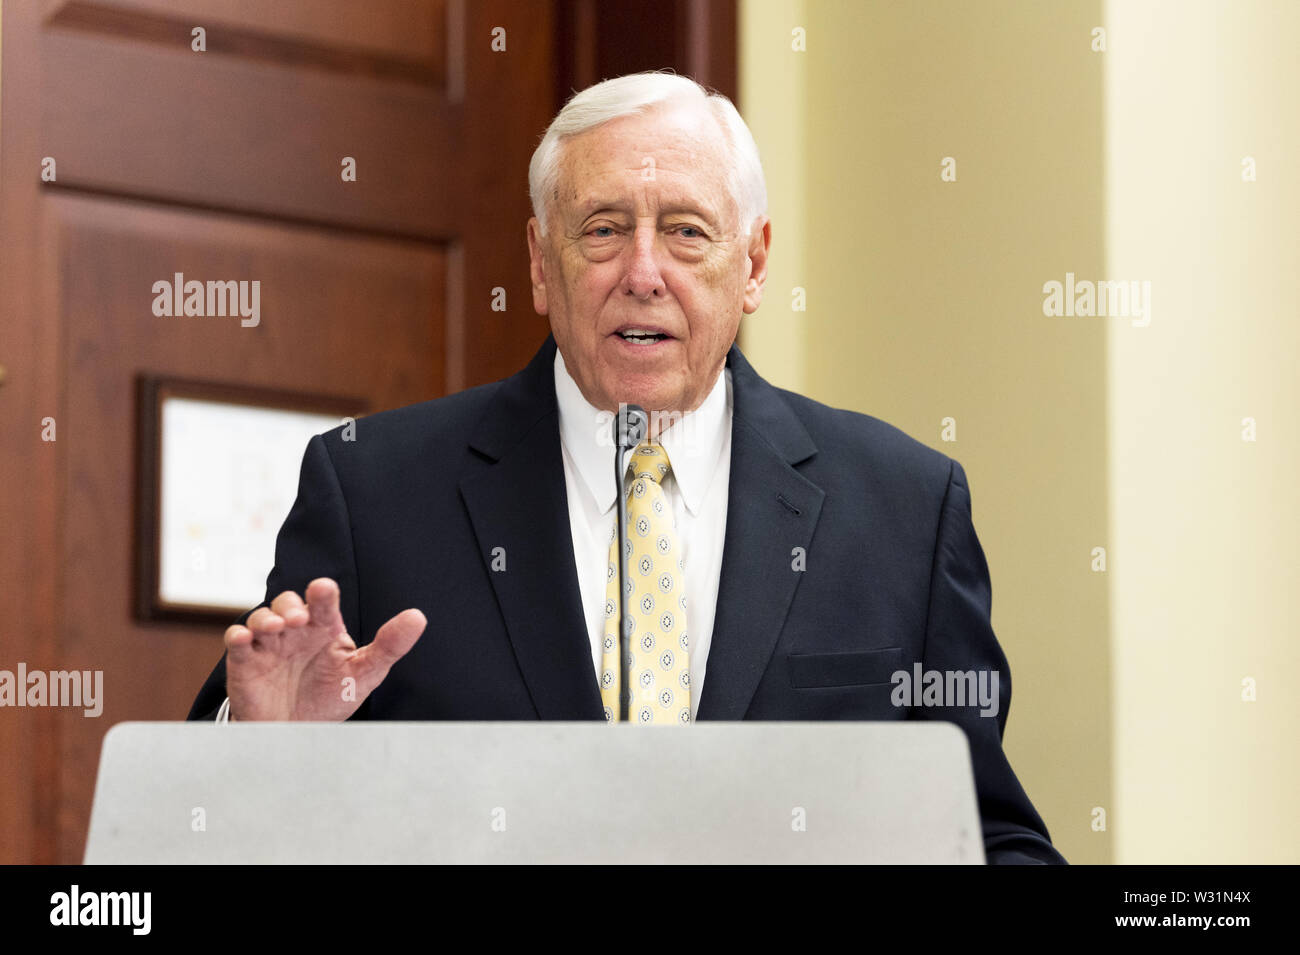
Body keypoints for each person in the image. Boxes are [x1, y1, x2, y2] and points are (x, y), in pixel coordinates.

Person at [188, 71, 1066, 864]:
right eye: (603, 229)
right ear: (540, 263)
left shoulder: (904, 509)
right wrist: (263, 758)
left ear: (753, 263)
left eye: (686, 231)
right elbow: (200, 835)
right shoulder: (373, 490)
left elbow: (990, 836)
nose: (643, 273)